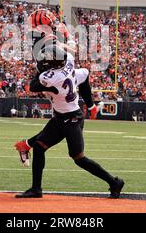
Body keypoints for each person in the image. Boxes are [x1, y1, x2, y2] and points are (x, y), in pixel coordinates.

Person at [14, 44, 124, 199]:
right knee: (39, 148)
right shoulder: (69, 61)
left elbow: (32, 86)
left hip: (72, 119)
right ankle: (36, 189)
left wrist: (41, 68)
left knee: (79, 158)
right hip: (61, 116)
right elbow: (85, 76)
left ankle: (114, 182)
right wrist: (90, 104)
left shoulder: (52, 78)